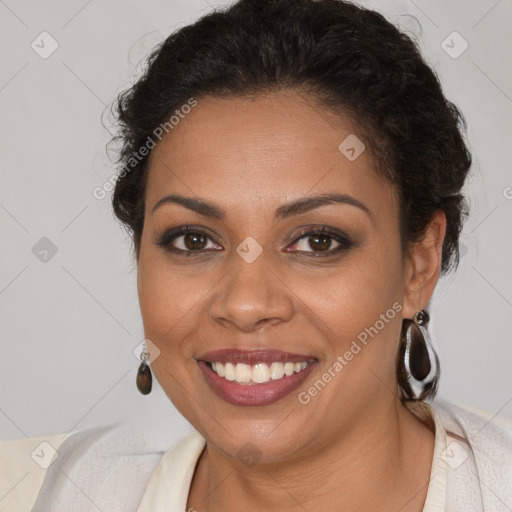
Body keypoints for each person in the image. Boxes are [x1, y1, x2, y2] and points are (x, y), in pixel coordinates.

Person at [2, 0, 511, 510]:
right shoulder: (33, 493)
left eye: (317, 240)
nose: (245, 304)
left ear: (417, 266)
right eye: (193, 240)